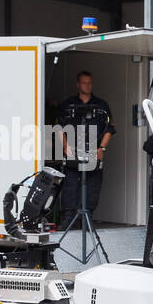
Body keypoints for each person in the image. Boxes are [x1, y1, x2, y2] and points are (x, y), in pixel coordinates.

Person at [56, 70, 115, 221]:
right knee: (70, 186)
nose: (87, 86)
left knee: (93, 188)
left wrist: (102, 148)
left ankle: (87, 219)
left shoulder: (101, 105)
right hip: (73, 152)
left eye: (89, 83)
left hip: (93, 151)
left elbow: (109, 129)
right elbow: (59, 128)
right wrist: (65, 146)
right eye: (84, 83)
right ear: (78, 84)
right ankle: (67, 219)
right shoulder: (67, 105)